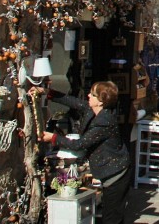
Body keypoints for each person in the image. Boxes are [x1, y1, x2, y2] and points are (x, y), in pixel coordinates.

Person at [41, 81, 131, 224]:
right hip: (110, 171)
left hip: (116, 173)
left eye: (92, 94)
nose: (88, 95)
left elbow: (79, 144)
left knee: (112, 217)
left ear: (101, 101)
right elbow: (74, 102)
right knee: (111, 214)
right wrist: (47, 92)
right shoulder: (92, 110)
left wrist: (53, 137)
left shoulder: (105, 121)